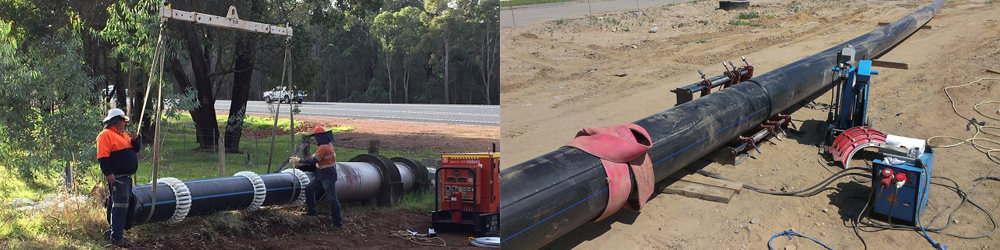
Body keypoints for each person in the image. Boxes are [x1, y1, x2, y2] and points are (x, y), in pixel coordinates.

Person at [96, 108, 141, 247]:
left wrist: (136, 140)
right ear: (115, 121)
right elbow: (103, 157)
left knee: (121, 206)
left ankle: (114, 233)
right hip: (118, 178)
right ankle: (116, 237)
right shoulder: (105, 135)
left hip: (126, 178)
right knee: (120, 207)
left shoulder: (123, 135)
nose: (124, 123)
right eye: (122, 120)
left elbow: (136, 149)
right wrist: (109, 174)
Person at [289, 126, 344, 230]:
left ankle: (338, 223)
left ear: (320, 136)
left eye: (316, 137)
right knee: (309, 189)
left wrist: (299, 160)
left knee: (332, 199)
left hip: (327, 176)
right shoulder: (328, 145)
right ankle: (312, 211)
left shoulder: (323, 147)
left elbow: (314, 160)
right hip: (322, 175)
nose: (315, 139)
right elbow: (315, 158)